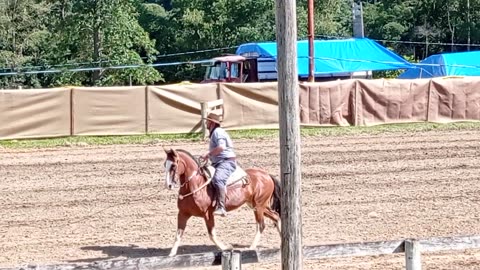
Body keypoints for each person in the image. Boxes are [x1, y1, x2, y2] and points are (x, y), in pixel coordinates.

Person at [201, 112, 236, 217]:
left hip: (226, 162)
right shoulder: (216, 132)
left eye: (207, 121)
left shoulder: (217, 132)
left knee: (218, 179)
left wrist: (208, 154)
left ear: (211, 122)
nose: (206, 123)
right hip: (219, 162)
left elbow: (221, 147)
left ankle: (221, 207)